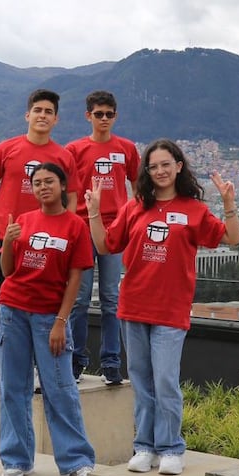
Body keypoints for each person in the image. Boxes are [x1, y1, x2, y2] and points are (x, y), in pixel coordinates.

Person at [87, 139, 239, 476]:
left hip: (171, 309)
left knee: (166, 380)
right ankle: (144, 446)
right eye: (153, 166)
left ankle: (171, 447)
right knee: (141, 381)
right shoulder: (135, 206)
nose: (160, 171)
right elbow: (105, 244)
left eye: (165, 164)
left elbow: (230, 238)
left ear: (179, 166)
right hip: (134, 305)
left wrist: (229, 204)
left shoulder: (194, 209)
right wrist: (94, 212)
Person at [0, 162, 96, 476]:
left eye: (48, 181)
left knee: (60, 388)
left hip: (49, 317)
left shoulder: (75, 226)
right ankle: (15, 459)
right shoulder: (23, 221)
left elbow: (75, 278)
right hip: (12, 311)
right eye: (36, 182)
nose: (42, 187)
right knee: (13, 386)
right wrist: (8, 242)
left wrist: (61, 321)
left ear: (62, 185)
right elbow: (8, 271)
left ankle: (77, 460)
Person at [0, 89, 76, 388]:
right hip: (8, 242)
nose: (43, 115)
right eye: (38, 110)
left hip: (48, 245)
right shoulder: (6, 149)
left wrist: (66, 232)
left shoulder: (63, 156)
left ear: (56, 118)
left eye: (49, 111)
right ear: (28, 115)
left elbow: (72, 198)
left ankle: (39, 369)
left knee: (44, 306)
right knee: (5, 306)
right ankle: (5, 368)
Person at [66, 90, 139, 384]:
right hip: (83, 228)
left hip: (115, 230)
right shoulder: (74, 149)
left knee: (111, 299)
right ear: (88, 116)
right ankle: (75, 360)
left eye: (109, 114)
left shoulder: (127, 149)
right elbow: (69, 190)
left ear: (115, 116)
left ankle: (111, 363)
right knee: (79, 299)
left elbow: (138, 184)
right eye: (99, 114)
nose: (104, 119)